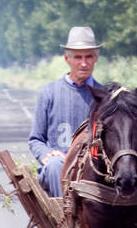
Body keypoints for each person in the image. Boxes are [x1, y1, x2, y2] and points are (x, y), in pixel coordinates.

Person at [28, 26, 102, 196]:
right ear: (67, 58)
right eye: (78, 57)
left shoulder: (104, 95)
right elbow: (35, 140)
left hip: (93, 167)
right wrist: (46, 155)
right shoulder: (49, 93)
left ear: (95, 58)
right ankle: (64, 219)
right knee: (54, 166)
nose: (84, 63)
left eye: (88, 56)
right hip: (59, 167)